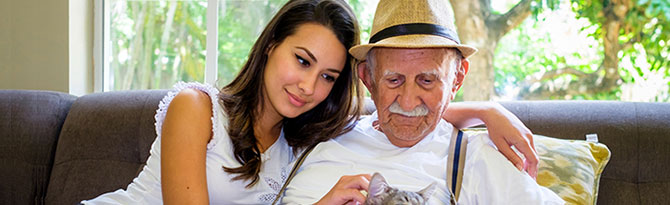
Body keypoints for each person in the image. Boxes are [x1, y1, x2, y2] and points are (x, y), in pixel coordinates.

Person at [83, 0, 537, 204]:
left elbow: (401, 111)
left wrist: (483, 111)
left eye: (326, 77)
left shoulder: (306, 134)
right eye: (301, 60)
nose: (307, 87)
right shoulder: (195, 108)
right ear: (269, 45)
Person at [282, 0, 564, 204]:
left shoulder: (479, 159)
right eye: (393, 80)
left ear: (457, 79)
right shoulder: (316, 129)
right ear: (367, 78)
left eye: (427, 81)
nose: (407, 101)